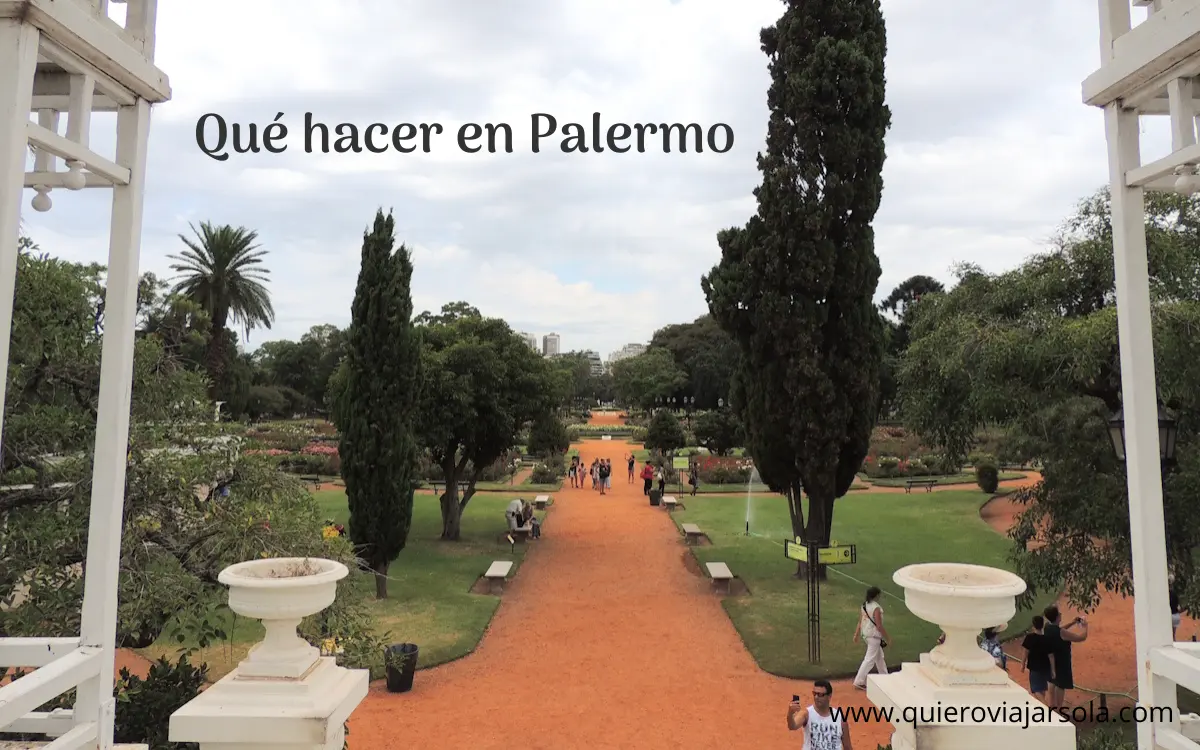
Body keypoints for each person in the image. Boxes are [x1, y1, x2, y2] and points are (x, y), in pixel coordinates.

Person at [1042, 605, 1088, 709]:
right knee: (1060, 684)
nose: (1061, 614)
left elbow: (1058, 630)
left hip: (1051, 659)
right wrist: (1085, 627)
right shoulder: (1061, 633)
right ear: (1057, 617)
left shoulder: (1047, 627)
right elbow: (1081, 638)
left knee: (1051, 681)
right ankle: (1059, 708)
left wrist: (1072, 622)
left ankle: (1051, 705)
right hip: (1062, 660)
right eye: (1059, 614)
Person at [786, 679, 852, 749]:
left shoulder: (840, 718)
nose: (816, 697)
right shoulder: (806, 714)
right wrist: (790, 713)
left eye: (820, 694)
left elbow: (848, 747)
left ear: (829, 696)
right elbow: (792, 726)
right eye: (815, 694)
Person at [852, 586, 889, 690]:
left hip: (866, 634)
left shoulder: (864, 605)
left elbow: (860, 621)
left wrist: (856, 634)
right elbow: (879, 625)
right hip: (874, 636)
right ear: (876, 595)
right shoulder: (876, 608)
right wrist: (888, 638)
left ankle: (885, 677)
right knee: (869, 659)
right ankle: (859, 681)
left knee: (879, 657)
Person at [1021, 615, 1052, 701]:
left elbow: (1025, 652)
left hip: (1034, 667)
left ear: (1033, 625)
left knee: (1036, 690)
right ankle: (1042, 711)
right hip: (1045, 668)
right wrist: (1052, 669)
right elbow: (1051, 656)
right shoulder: (1046, 639)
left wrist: (1022, 665)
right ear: (1042, 625)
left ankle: (1046, 708)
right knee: (1042, 689)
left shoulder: (1029, 638)